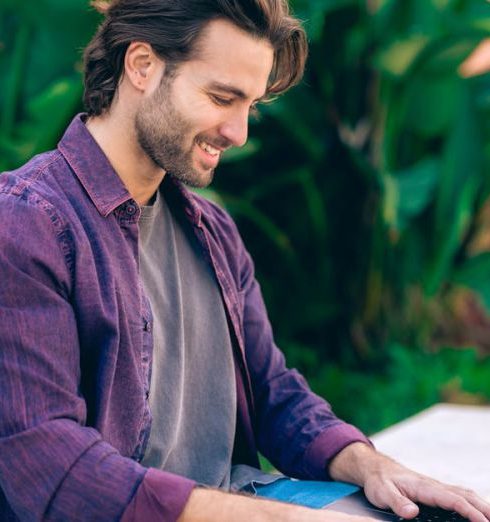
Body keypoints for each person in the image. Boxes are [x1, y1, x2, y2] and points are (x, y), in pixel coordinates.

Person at [0, 1, 488, 521]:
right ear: (141, 66)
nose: (238, 133)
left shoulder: (213, 232)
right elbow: (50, 465)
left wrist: (371, 466)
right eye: (221, 97)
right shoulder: (28, 224)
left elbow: (272, 392)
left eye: (249, 107)